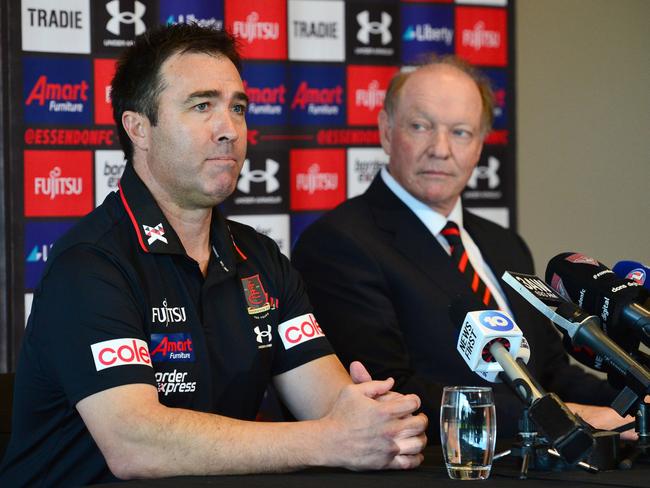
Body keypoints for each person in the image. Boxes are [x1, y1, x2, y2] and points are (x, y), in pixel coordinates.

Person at [0, 24, 427, 486]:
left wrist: (377, 423)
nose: (229, 130)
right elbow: (135, 443)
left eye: (237, 108)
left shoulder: (260, 258)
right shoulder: (90, 265)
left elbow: (329, 402)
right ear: (138, 127)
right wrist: (328, 439)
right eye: (202, 106)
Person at [292, 55, 629, 442]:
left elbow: (550, 370)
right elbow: (393, 391)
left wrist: (630, 403)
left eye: (461, 132)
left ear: (480, 145)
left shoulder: (506, 245)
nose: (440, 148)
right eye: (420, 127)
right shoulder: (339, 243)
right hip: (440, 466)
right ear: (386, 131)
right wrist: (563, 417)